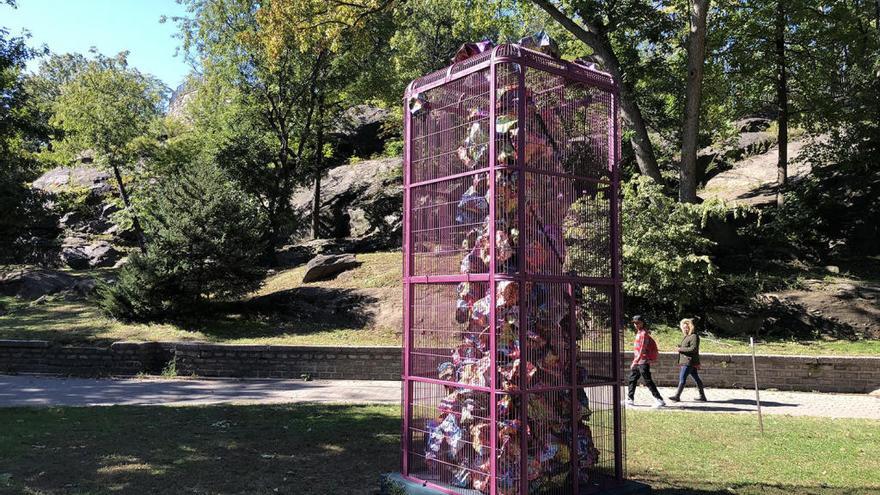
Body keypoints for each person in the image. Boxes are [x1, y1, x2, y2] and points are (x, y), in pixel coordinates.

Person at [626, 315, 666, 408]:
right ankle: (630, 399)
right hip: (639, 360)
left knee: (648, 380)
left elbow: (642, 350)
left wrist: (635, 361)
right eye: (634, 323)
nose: (636, 325)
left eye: (638, 323)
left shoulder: (644, 333)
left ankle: (659, 400)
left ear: (642, 322)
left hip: (643, 361)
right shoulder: (639, 332)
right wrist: (636, 360)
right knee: (632, 379)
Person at [668, 318, 707, 402]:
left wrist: (680, 349)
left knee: (682, 378)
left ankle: (677, 396)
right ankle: (702, 396)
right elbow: (687, 347)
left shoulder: (694, 336)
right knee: (696, 378)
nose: (685, 329)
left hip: (689, 361)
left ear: (691, 327)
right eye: (684, 327)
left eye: (687, 327)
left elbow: (693, 349)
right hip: (689, 361)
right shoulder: (687, 336)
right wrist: (680, 346)